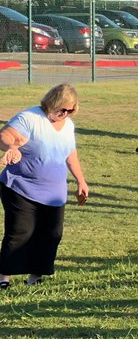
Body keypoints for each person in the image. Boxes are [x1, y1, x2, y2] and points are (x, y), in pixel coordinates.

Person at [0, 84, 89, 289]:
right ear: (51, 102)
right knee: (20, 232)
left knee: (51, 234)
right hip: (20, 187)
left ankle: (35, 277)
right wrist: (12, 147)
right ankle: (4, 278)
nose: (64, 114)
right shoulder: (30, 118)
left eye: (70, 110)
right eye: (61, 109)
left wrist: (81, 180)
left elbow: (70, 154)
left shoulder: (68, 125)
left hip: (54, 193)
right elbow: (4, 135)